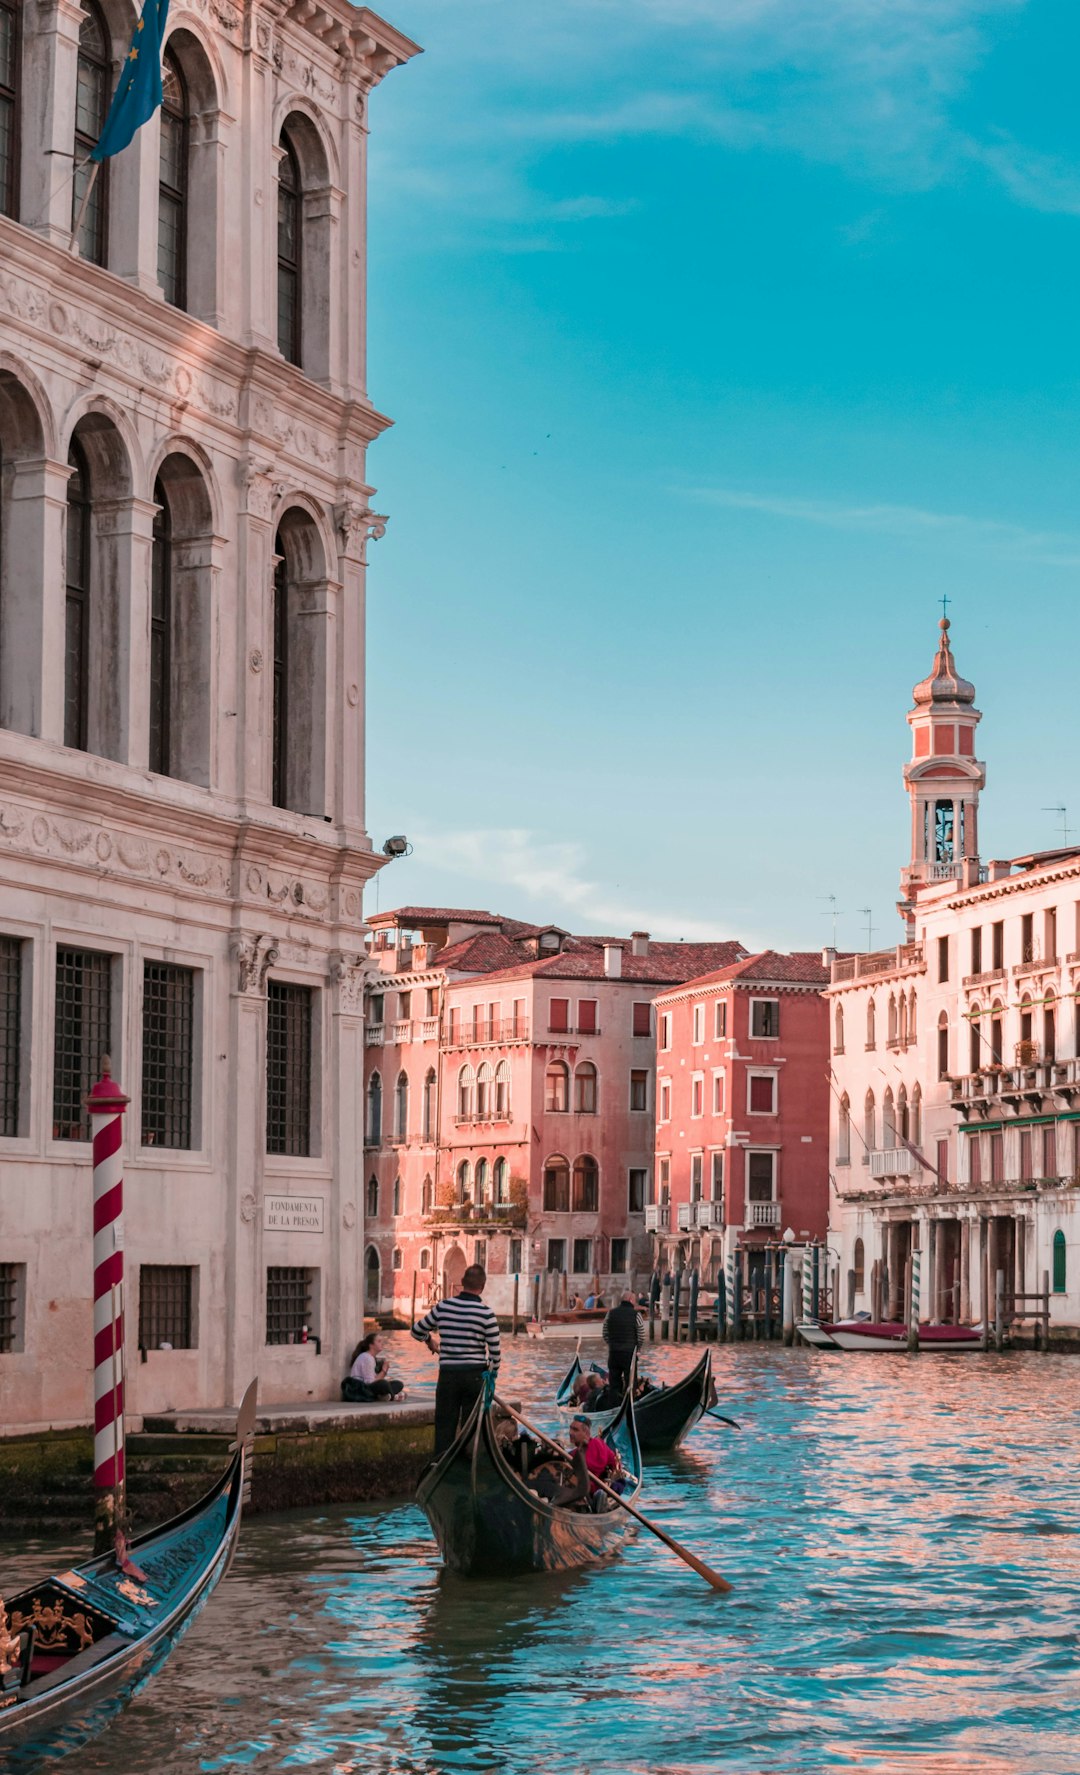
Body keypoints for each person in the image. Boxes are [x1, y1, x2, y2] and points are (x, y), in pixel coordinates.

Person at [412, 1263, 501, 1456]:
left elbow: (416, 1330)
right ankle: (467, 1469)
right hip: (475, 1377)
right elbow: (495, 1356)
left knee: (445, 1425)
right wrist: (491, 1379)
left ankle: (440, 1466)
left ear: (462, 1283)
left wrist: (429, 1340)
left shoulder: (443, 1307)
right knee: (471, 1429)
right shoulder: (487, 1314)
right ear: (483, 1286)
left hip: (449, 1375)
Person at [601, 1290, 645, 1400]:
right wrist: (638, 1348)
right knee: (630, 1382)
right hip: (629, 1353)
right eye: (634, 1300)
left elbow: (605, 1333)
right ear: (630, 1300)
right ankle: (630, 1402)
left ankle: (614, 1403)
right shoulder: (636, 1314)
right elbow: (641, 1335)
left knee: (614, 1382)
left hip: (614, 1353)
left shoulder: (610, 1313)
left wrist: (612, 1344)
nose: (635, 1303)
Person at [341, 1332, 405, 1402]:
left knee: (398, 1384)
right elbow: (370, 1382)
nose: (382, 1344)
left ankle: (384, 1396)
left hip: (368, 1387)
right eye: (379, 1341)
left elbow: (374, 1379)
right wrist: (383, 1371)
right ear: (371, 1345)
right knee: (383, 1384)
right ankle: (393, 1397)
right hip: (360, 1389)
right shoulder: (366, 1358)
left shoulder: (371, 1358)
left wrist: (383, 1371)